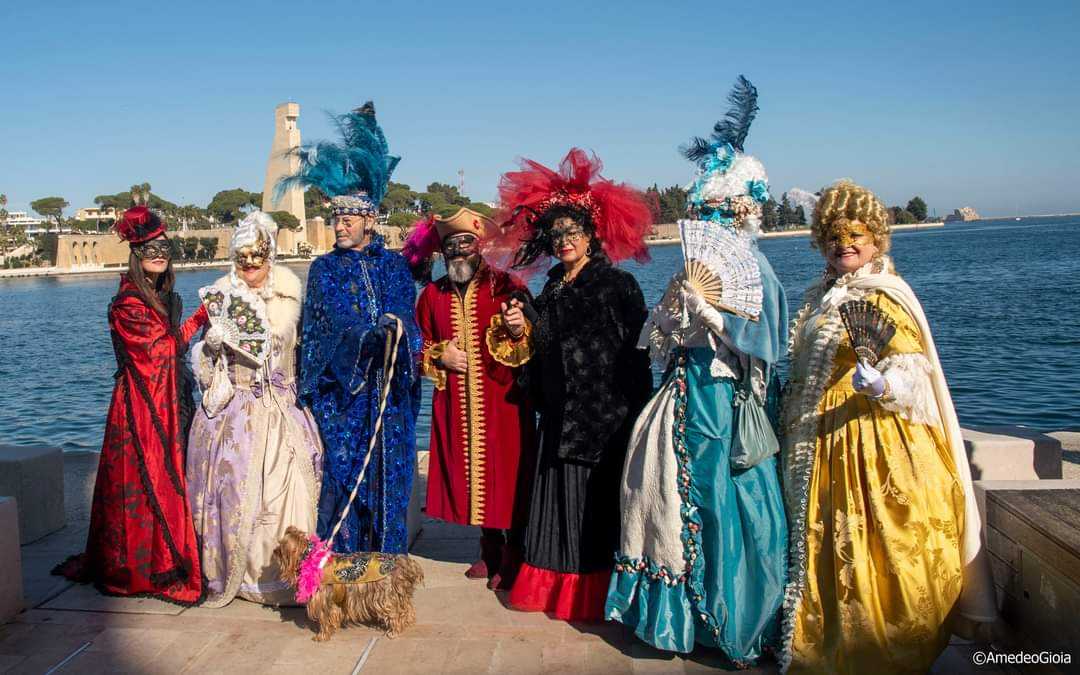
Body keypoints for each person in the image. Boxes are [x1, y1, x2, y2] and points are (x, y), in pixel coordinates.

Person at [605, 76, 789, 666]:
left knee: (726, 507)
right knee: (668, 504)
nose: (707, 227)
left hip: (726, 405)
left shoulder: (755, 270)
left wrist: (719, 318)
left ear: (739, 218)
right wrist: (675, 314)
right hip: (683, 398)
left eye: (716, 215)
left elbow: (767, 346)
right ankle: (680, 620)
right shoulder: (690, 270)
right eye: (702, 215)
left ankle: (730, 618)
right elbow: (656, 343)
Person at [779, 180, 997, 673]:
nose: (845, 244)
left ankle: (880, 645)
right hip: (820, 440)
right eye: (834, 236)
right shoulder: (820, 295)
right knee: (827, 544)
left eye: (856, 235)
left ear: (877, 239)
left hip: (874, 439)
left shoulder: (888, 294)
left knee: (880, 541)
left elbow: (915, 371)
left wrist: (883, 385)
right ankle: (829, 637)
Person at [489, 147, 654, 621]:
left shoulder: (617, 285)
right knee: (557, 504)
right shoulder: (552, 287)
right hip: (560, 415)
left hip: (603, 419)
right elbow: (542, 344)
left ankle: (595, 594)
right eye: (556, 234)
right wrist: (523, 327)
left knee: (594, 510)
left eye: (573, 233)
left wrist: (631, 410)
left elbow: (638, 354)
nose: (564, 241)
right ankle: (551, 588)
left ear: (591, 236)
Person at [280, 101, 421, 554]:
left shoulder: (395, 265)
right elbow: (327, 325)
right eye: (335, 218)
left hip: (388, 400)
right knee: (345, 488)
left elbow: (406, 308)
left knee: (389, 486)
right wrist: (364, 336)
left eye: (347, 219)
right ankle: (342, 576)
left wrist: (397, 325)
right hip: (346, 398)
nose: (338, 226)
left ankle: (387, 576)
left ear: (370, 220)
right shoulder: (324, 269)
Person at [55, 205, 208, 604]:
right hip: (139, 409)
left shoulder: (156, 297)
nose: (159, 254)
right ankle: (142, 566)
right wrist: (200, 319)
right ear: (136, 256)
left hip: (157, 401)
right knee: (145, 479)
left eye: (164, 248)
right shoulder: (129, 304)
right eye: (149, 250)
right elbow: (160, 353)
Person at [186, 212, 323, 607]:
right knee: (234, 487)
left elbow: (303, 353)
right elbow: (202, 366)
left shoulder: (290, 296)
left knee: (290, 488)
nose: (250, 266)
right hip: (236, 410)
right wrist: (210, 345)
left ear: (270, 257)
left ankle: (294, 573)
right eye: (242, 258)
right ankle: (243, 576)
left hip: (281, 405)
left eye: (257, 258)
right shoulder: (219, 296)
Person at [404, 206, 536, 590]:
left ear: (479, 246)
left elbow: (534, 336)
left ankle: (515, 551)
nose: (458, 253)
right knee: (472, 475)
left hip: (504, 401)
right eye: (451, 247)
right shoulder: (431, 294)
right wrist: (439, 355)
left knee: (507, 473)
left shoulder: (507, 285)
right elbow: (419, 344)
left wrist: (517, 329)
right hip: (457, 402)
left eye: (465, 244)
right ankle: (489, 547)